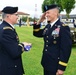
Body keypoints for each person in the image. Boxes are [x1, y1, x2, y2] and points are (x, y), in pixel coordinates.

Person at [33, 4, 72, 75]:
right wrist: (39, 21)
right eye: (45, 13)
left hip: (55, 65)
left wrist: (61, 68)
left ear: (56, 13)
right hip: (46, 63)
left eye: (48, 13)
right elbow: (37, 33)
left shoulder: (63, 27)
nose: (46, 15)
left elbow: (66, 49)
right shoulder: (48, 26)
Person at [0, 6, 31, 75]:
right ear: (9, 16)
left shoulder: (4, 27)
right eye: (16, 15)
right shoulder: (7, 30)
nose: (18, 17)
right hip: (9, 69)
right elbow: (15, 52)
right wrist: (23, 44)